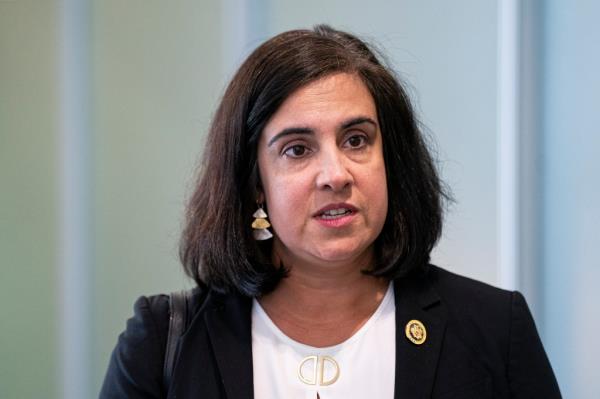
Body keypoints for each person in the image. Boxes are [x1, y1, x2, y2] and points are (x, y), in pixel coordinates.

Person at [100, 25, 561, 398]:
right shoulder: (163, 343)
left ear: (390, 160)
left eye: (356, 140)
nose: (334, 174)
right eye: (297, 150)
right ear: (255, 183)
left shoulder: (494, 329)